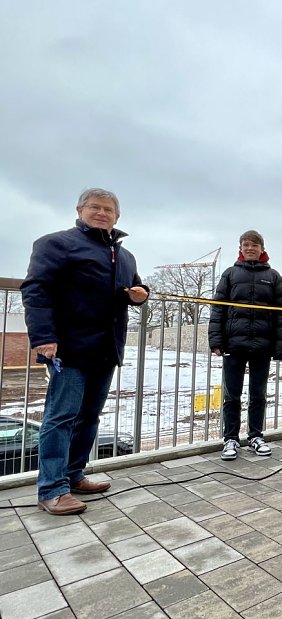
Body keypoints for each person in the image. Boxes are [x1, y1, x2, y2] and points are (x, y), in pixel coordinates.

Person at [21, 188, 149, 515]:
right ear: (80, 210)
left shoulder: (124, 256)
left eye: (109, 209)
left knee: (89, 416)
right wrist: (44, 337)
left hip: (106, 348)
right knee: (60, 417)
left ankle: (74, 474)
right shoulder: (56, 244)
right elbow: (36, 291)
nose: (102, 213)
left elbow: (133, 287)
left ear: (117, 217)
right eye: (95, 207)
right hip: (70, 347)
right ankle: (51, 488)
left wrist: (141, 293)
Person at [209, 230, 282, 461]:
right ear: (240, 249)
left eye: (254, 245)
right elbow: (217, 309)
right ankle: (230, 439)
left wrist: (280, 347)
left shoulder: (273, 277)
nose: (250, 248)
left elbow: (281, 316)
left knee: (258, 395)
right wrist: (216, 341)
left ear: (262, 249)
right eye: (245, 245)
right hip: (234, 344)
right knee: (231, 395)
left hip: (262, 345)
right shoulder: (230, 274)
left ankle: (255, 436)